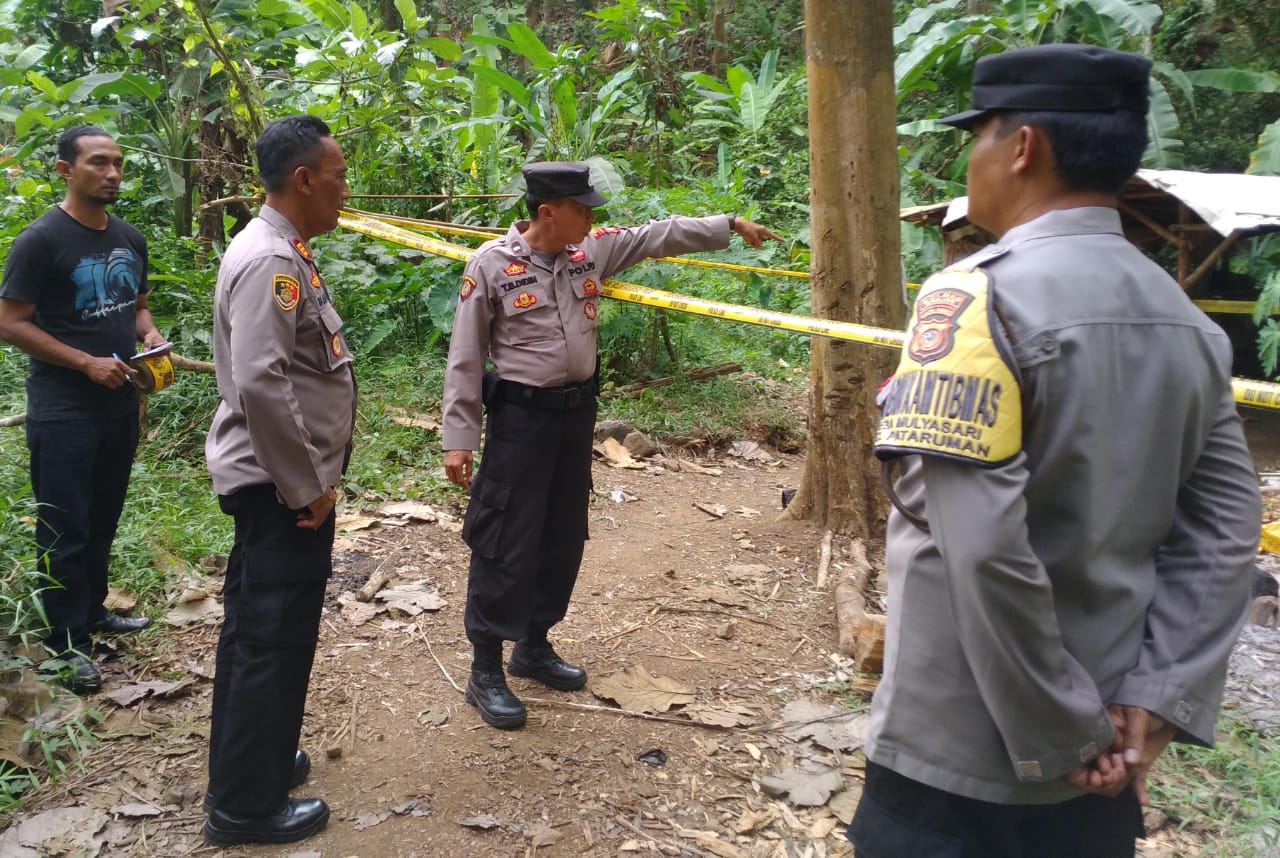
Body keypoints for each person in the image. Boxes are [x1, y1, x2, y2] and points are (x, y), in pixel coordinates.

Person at [856, 44, 1262, 857]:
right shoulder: (1189, 325)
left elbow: (984, 553)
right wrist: (1153, 703)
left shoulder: (975, 297)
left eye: (978, 135)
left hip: (963, 757)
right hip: (1112, 754)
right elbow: (1223, 535)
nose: (971, 159)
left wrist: (1069, 733)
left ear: (1022, 146)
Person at [442, 161, 780, 729]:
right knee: (505, 537)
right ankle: (485, 669)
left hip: (576, 419)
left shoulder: (589, 251)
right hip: (521, 423)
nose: (593, 216)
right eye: (583, 207)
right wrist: (459, 438)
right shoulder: (492, 266)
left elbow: (655, 235)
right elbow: (466, 356)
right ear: (548, 212)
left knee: (562, 530)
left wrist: (728, 224)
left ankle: (534, 644)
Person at [202, 115, 354, 847]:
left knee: (256, 635)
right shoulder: (271, 260)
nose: (344, 191)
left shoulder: (280, 248)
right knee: (272, 640)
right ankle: (244, 807)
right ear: (303, 180)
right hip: (279, 490)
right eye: (338, 176)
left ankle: (252, 763)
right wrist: (309, 487)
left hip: (273, 483)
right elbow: (263, 383)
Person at [0, 125, 167, 695]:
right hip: (63, 408)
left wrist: (149, 336)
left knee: (102, 518)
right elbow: (9, 322)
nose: (113, 173)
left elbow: (139, 308)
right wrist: (83, 361)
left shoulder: (129, 236)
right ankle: (64, 646)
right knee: (64, 527)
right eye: (98, 163)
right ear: (65, 170)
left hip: (119, 403)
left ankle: (93, 612)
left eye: (118, 162)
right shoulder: (41, 241)